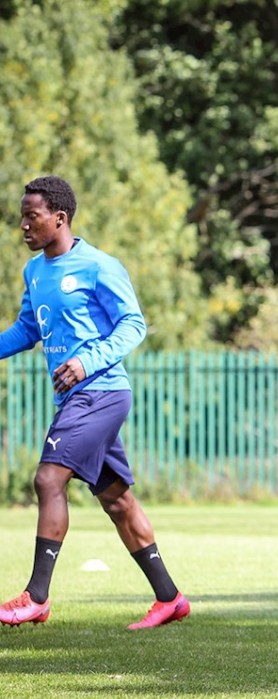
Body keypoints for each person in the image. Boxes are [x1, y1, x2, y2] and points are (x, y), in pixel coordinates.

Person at [0, 175, 190, 630]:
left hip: (101, 393)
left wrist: (86, 362)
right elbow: (28, 329)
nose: (23, 225)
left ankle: (36, 597)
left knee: (48, 479)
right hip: (76, 399)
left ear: (59, 218)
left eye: (32, 217)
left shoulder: (99, 266)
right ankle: (170, 599)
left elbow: (133, 325)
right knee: (117, 501)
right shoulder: (34, 272)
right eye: (21, 217)